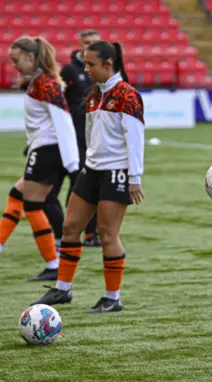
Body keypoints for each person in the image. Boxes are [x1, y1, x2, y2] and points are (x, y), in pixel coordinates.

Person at [32, 40, 145, 313]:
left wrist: (134, 177)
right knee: (71, 228)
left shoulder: (127, 95)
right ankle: (62, 290)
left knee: (107, 234)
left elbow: (135, 138)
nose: (86, 69)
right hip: (91, 170)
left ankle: (112, 297)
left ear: (108, 64)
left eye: (91, 64)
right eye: (85, 63)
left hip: (115, 172)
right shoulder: (96, 92)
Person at [0, 37, 80, 281]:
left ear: (31, 57)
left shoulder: (44, 84)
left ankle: (53, 263)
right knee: (17, 195)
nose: (15, 66)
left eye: (17, 60)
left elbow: (63, 121)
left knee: (33, 205)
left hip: (47, 152)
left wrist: (73, 164)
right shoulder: (38, 82)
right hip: (42, 150)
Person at [43, 29, 102, 248]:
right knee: (73, 186)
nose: (89, 46)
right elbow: (57, 99)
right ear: (79, 44)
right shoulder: (69, 70)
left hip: (95, 139)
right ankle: (67, 231)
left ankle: (90, 233)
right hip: (71, 140)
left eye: (94, 43)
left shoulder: (104, 70)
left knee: (91, 186)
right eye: (86, 42)